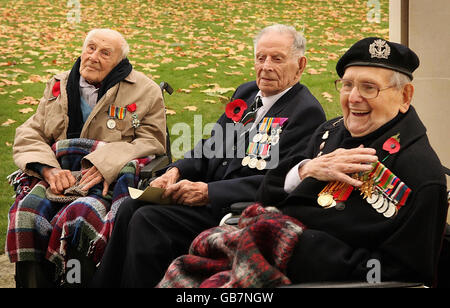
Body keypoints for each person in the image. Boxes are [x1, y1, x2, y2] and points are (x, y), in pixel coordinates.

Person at [91, 24, 326, 287]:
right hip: (204, 194)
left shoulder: (305, 113)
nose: (266, 66)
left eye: (277, 59)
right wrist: (175, 171)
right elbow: (212, 145)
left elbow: (277, 180)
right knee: (130, 207)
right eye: (261, 58)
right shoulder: (247, 93)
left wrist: (207, 192)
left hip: (238, 209)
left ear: (300, 65)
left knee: (149, 221)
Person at [257, 37, 448, 286]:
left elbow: (401, 275)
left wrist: (300, 247)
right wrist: (306, 170)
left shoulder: (420, 173)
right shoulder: (330, 131)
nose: (353, 98)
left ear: (405, 97)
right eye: (347, 85)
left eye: (369, 87)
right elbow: (265, 194)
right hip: (264, 251)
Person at [7, 28, 167, 287]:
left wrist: (105, 163)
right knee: (26, 215)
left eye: (105, 53)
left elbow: (152, 141)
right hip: (59, 175)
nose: (94, 57)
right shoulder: (58, 84)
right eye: (90, 48)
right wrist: (49, 170)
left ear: (119, 61)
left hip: (107, 181)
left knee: (80, 217)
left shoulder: (144, 90)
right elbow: (32, 131)